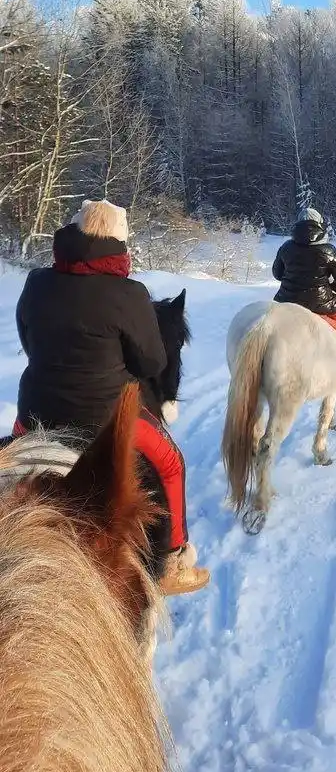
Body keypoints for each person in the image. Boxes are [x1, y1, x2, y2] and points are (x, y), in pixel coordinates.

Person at [14, 199, 209, 595]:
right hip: (104, 416)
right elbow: (152, 361)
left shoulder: (37, 281)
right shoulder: (129, 293)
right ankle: (172, 561)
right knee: (171, 463)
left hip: (35, 412)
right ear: (120, 243)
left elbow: (28, 340)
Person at [273, 207, 336, 375]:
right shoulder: (328, 249)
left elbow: (277, 274)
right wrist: (331, 288)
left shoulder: (286, 247)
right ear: (319, 224)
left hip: (286, 301)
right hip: (320, 303)